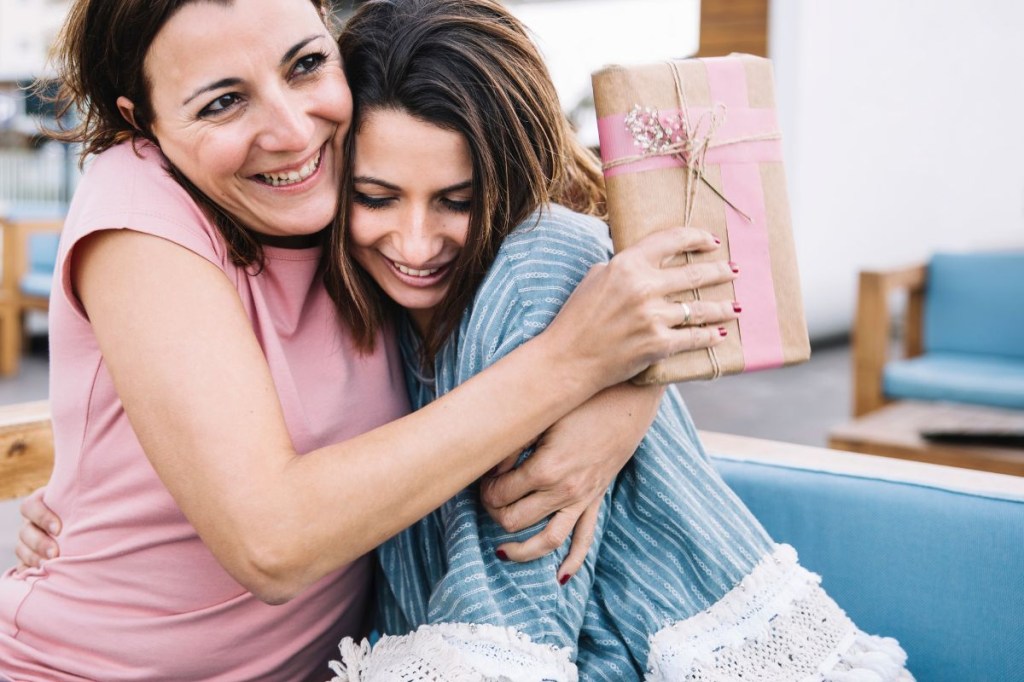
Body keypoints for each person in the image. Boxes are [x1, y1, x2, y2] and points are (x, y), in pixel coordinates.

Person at [0, 0, 736, 679]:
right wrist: (571, 366)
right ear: (144, 120)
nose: (291, 130)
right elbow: (273, 541)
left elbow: (578, 253)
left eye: (305, 64)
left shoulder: (361, 187)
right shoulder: (142, 214)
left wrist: (628, 392)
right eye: (223, 102)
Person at [305, 1, 910, 680]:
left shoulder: (534, 265)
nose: (414, 244)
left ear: (511, 179)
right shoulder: (369, 298)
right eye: (376, 198)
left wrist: (626, 388)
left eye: (458, 201)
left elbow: (511, 631)